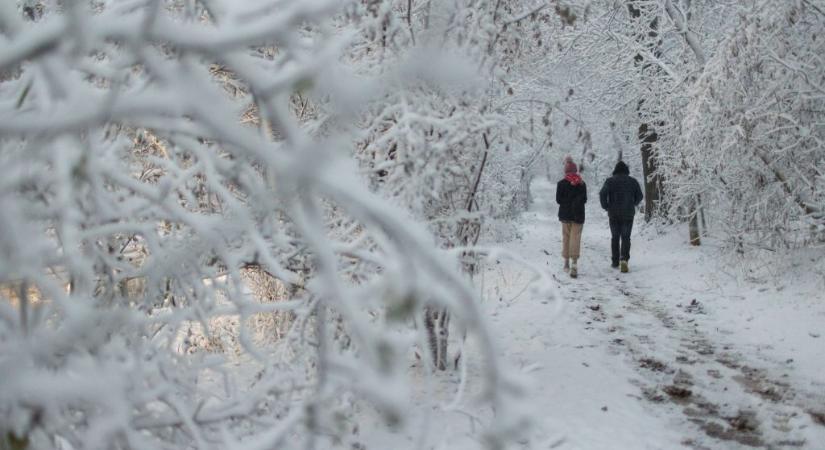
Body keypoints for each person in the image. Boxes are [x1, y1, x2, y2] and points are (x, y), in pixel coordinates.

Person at [599, 160, 643, 273]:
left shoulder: (610, 181)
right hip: (628, 213)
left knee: (615, 237)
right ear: (626, 170)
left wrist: (606, 206)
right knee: (626, 237)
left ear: (615, 170)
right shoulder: (632, 181)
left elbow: (602, 193)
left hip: (613, 213)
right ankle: (624, 259)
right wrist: (633, 203)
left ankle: (615, 261)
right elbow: (640, 196)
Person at [556, 156, 587, 278]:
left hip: (565, 215)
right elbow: (584, 199)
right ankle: (574, 263)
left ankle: (566, 262)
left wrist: (567, 201)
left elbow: (558, 200)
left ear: (566, 171)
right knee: (576, 238)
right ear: (575, 171)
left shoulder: (561, 184)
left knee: (566, 237)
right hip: (578, 215)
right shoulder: (582, 184)